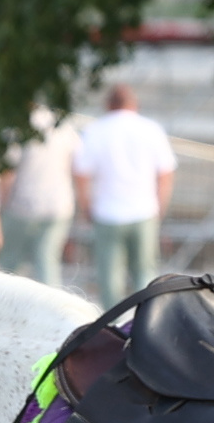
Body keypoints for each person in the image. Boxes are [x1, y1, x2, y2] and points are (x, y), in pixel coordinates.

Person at [73, 85, 176, 304]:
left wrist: (86, 206)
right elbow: (166, 173)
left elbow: (82, 173)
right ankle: (145, 322)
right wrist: (159, 207)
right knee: (145, 274)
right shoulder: (151, 129)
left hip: (107, 212)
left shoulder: (96, 130)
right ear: (134, 104)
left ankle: (113, 327)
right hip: (144, 211)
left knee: (109, 276)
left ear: (108, 105)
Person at [0, 108, 82, 290]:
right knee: (46, 262)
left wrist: (2, 204)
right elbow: (74, 163)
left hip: (23, 204)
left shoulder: (19, 125)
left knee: (9, 265)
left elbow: (8, 171)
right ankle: (49, 309)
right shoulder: (64, 125)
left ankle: (5, 308)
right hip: (58, 204)